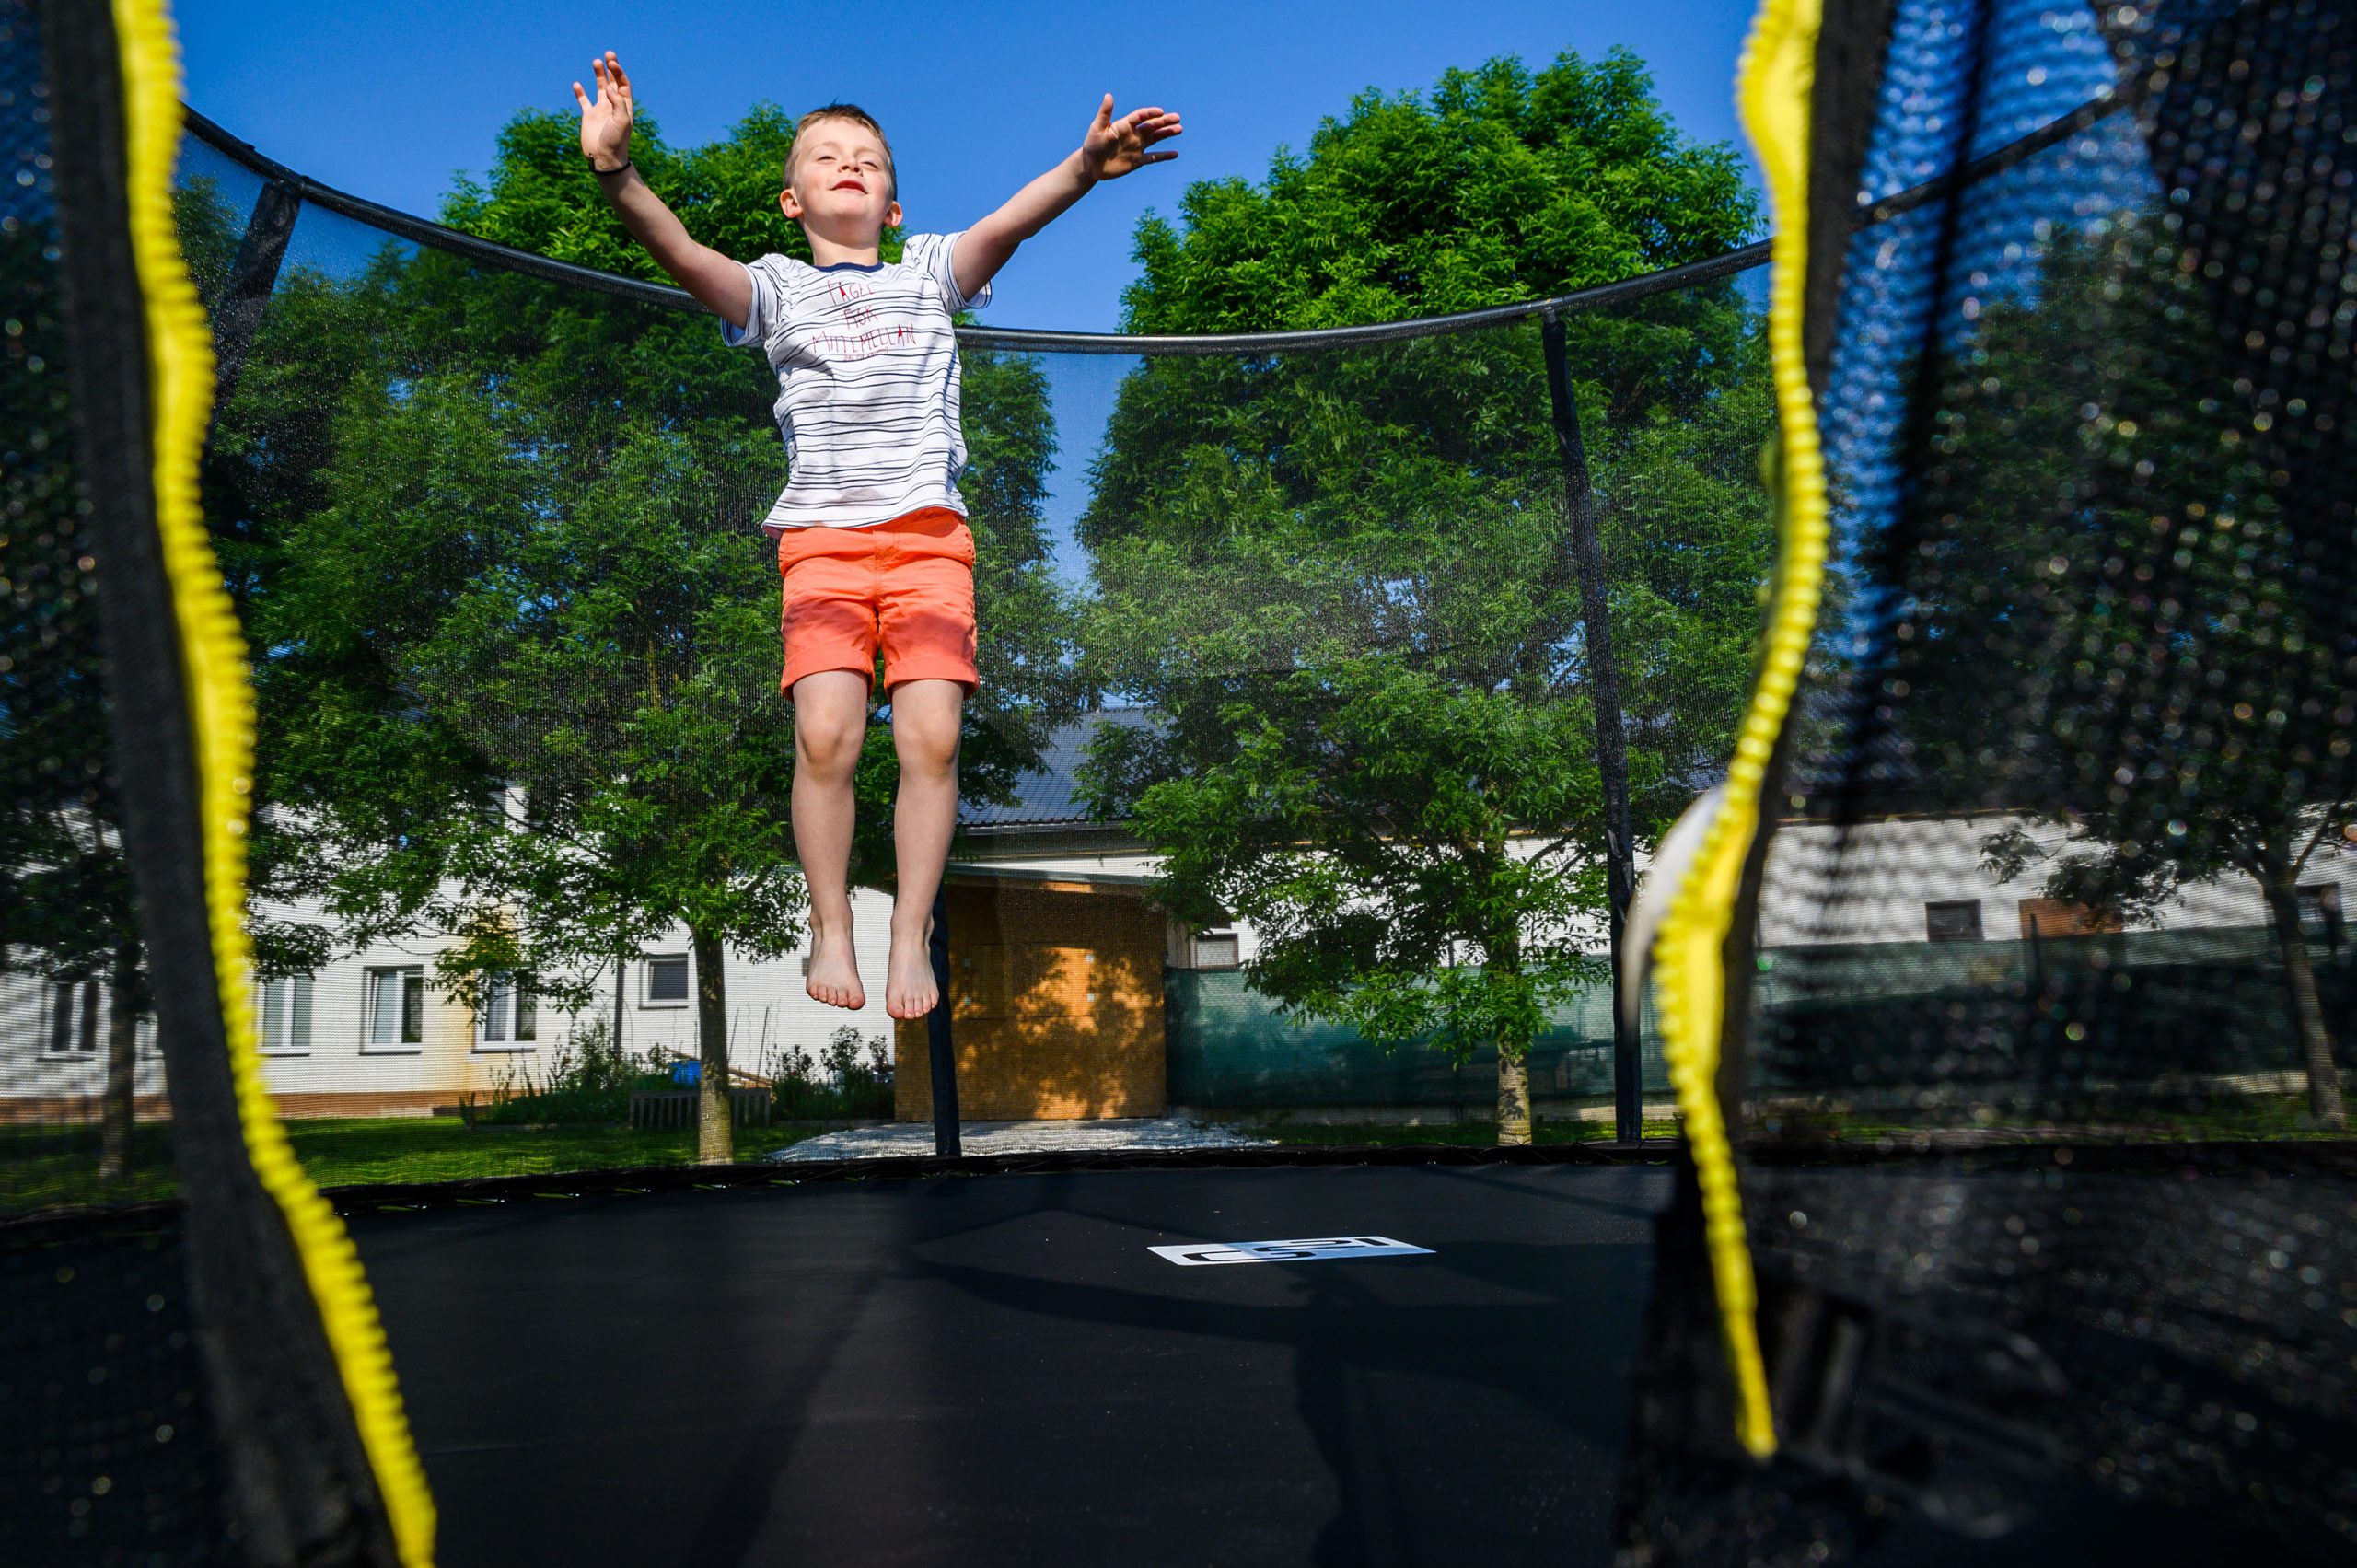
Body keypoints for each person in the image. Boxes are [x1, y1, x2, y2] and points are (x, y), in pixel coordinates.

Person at [572, 52, 1179, 1019]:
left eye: (869, 159)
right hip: (822, 540)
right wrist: (615, 169)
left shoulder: (930, 272)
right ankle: (830, 924)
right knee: (826, 736)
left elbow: (1008, 224)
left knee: (931, 738)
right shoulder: (775, 289)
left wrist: (1081, 168)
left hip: (929, 538)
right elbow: (679, 250)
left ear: (892, 207)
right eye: (825, 157)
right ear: (792, 201)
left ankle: (908, 933)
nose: (848, 164)